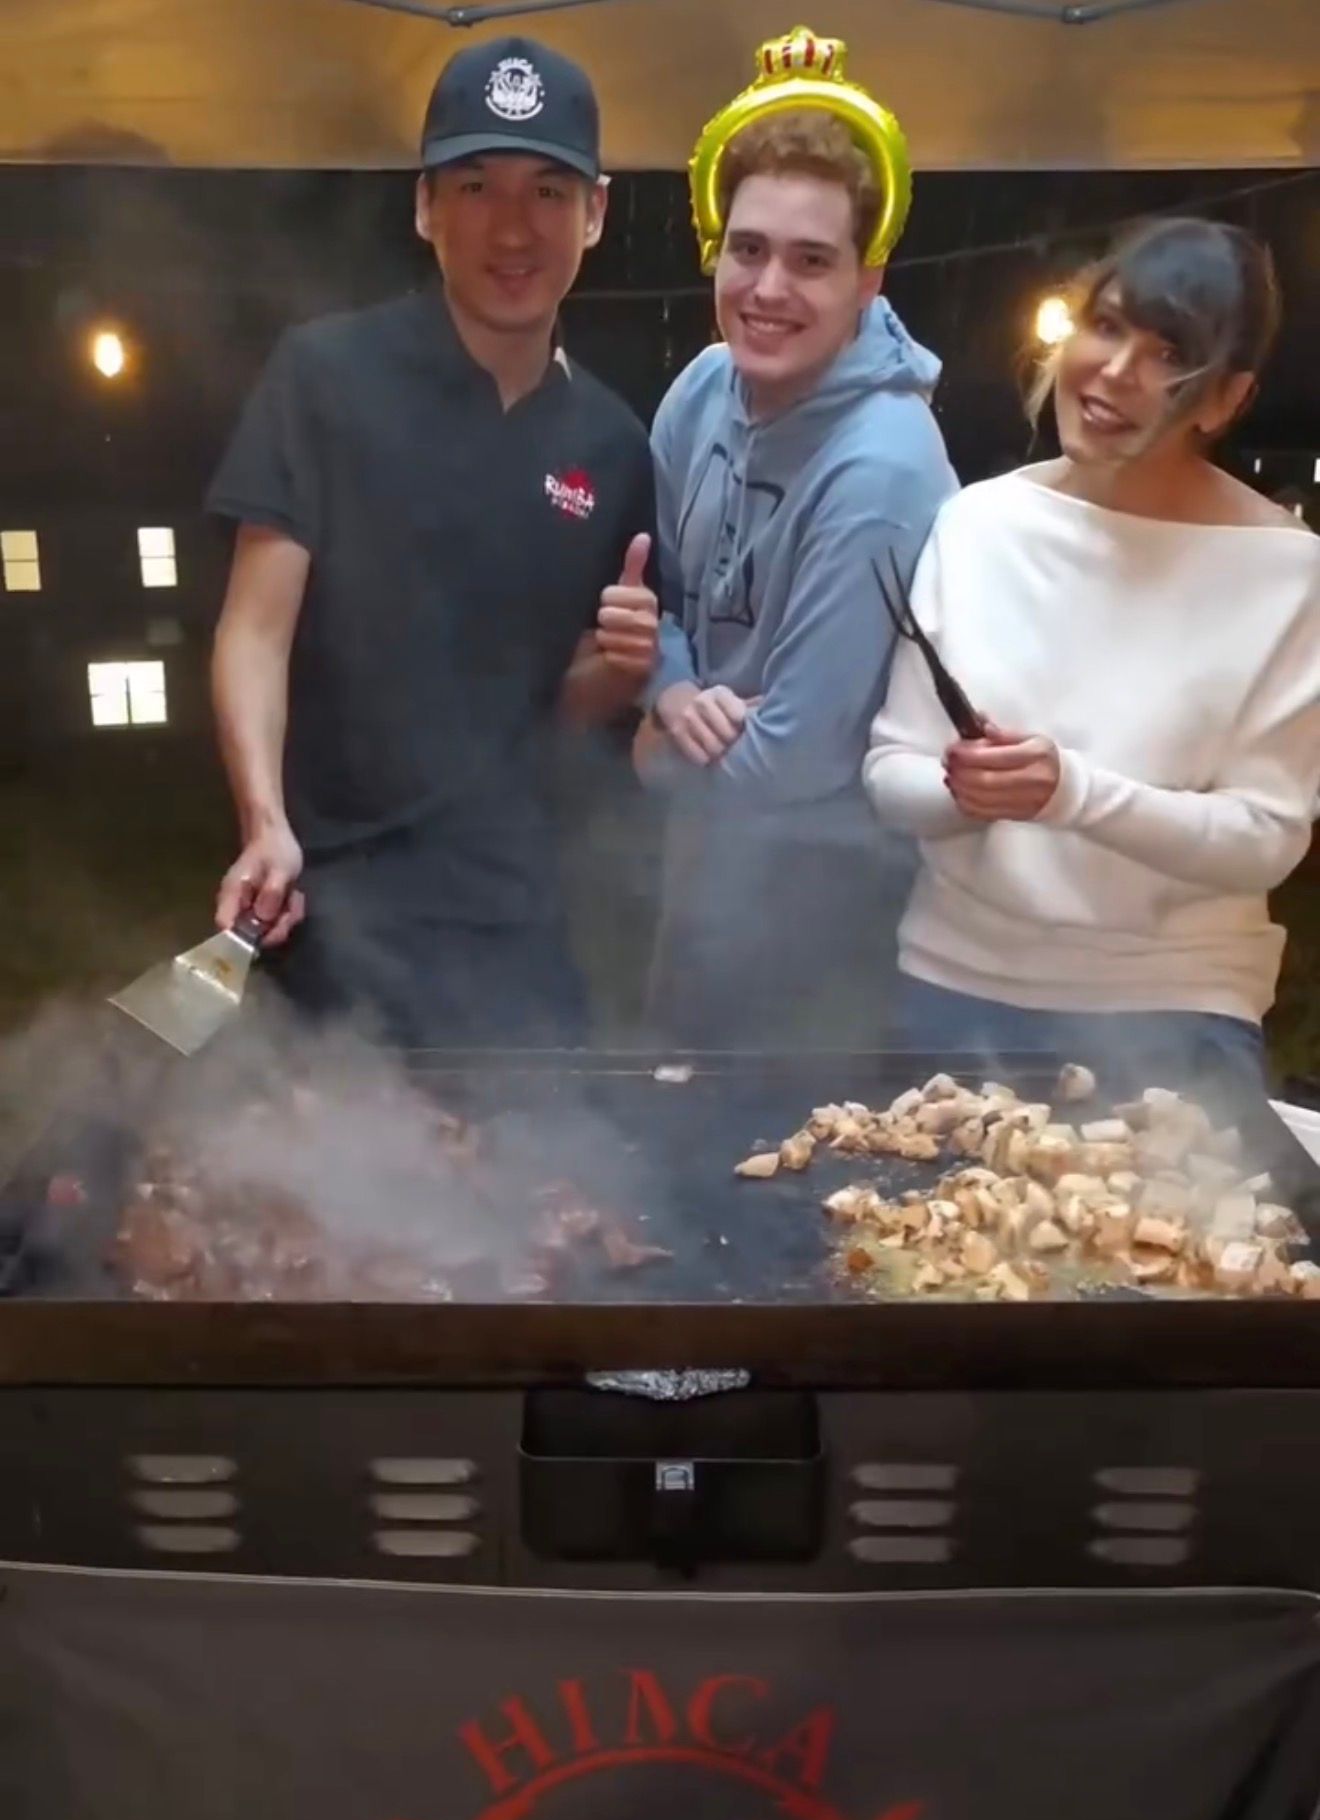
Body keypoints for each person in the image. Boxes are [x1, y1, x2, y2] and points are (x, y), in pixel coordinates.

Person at [207, 37, 659, 1048]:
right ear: (426, 206)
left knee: (547, 1148)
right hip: (329, 911)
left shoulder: (613, 445)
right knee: (300, 1156)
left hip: (516, 927)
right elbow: (254, 631)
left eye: (549, 191)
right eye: (476, 184)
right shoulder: (324, 378)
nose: (513, 226)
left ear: (595, 213)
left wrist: (621, 671)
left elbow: (555, 707)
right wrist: (263, 820)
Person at [864, 217, 1320, 1097]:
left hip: (1177, 1009)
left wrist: (1070, 792)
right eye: (1106, 326)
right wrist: (968, 792)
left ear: (1225, 399)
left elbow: (1265, 837)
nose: (1114, 371)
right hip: (953, 986)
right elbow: (892, 771)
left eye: (1168, 354)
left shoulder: (1286, 572)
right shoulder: (980, 523)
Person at [634, 39, 955, 1048]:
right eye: (748, 249)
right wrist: (672, 691)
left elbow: (793, 760)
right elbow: (651, 589)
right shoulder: (703, 386)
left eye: (811, 261)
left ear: (868, 280)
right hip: (704, 874)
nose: (767, 287)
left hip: (831, 918)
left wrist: (652, 750)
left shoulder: (883, 467)